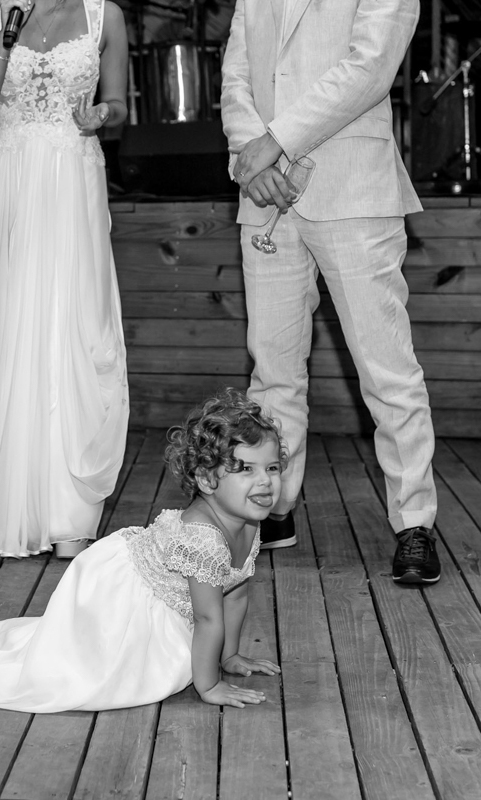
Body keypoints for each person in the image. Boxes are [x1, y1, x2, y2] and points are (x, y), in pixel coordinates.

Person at [222, 0, 439, 584]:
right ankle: (272, 505)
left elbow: (369, 67)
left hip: (354, 190)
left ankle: (414, 520)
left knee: (385, 368)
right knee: (272, 368)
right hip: (264, 195)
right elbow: (236, 73)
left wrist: (276, 140)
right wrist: (252, 158)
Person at [0, 388, 282, 712]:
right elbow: (207, 619)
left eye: (273, 467)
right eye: (245, 470)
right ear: (206, 479)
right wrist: (209, 683)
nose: (265, 481)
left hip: (169, 598)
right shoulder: (203, 537)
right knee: (93, 671)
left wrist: (228, 655)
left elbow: (234, 593)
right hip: (117, 595)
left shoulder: (248, 520)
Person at [0, 0, 130, 559]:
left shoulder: (106, 14)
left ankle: (70, 511)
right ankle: (21, 497)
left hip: (74, 179)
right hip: (12, 180)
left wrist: (101, 116)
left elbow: (120, 105)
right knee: (16, 330)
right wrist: (5, 41)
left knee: (76, 327)